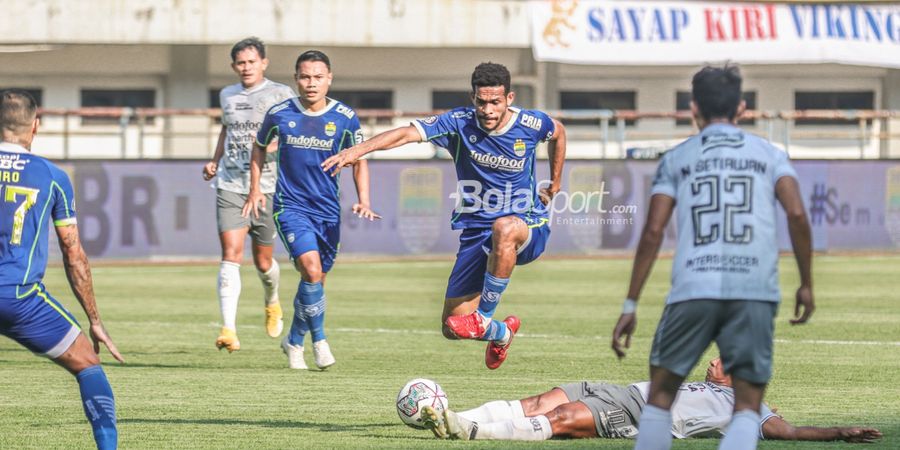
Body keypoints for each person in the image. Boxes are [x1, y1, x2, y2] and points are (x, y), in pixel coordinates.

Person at [610, 64, 814, 450]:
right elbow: (798, 214)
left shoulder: (677, 158)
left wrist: (631, 302)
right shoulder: (770, 154)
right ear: (741, 108)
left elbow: (653, 232)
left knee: (659, 402)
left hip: (693, 287)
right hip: (753, 290)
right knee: (746, 409)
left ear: (693, 109)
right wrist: (806, 283)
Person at [322, 62, 566, 370]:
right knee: (451, 326)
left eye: (495, 102)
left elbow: (559, 132)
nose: (488, 110)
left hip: (527, 226)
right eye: (481, 102)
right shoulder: (458, 122)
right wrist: (358, 151)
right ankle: (501, 332)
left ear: (510, 99)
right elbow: (405, 134)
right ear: (472, 98)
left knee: (504, 226)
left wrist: (556, 182)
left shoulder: (531, 124)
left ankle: (483, 317)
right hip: (477, 234)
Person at [0, 89, 125, 449]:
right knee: (88, 364)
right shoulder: (51, 176)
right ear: (35, 126)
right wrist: (95, 319)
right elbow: (74, 254)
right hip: (20, 298)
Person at [243, 50, 380, 370]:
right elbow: (259, 147)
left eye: (318, 77)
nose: (311, 83)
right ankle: (319, 343)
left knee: (314, 280)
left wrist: (364, 199)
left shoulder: (345, 117)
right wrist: (255, 188)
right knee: (312, 270)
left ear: (329, 79)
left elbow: (359, 159)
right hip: (291, 207)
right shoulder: (279, 113)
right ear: (296, 79)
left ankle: (293, 341)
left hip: (328, 212)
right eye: (305, 77)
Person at [420, 358, 882, 444]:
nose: (712, 365)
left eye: (720, 364)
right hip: (622, 389)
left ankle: (467, 430)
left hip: (638, 414)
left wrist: (840, 431)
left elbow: (789, 431)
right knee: (540, 398)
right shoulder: (712, 386)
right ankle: (455, 414)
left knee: (560, 419)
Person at [201, 37, 295, 352]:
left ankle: (272, 300)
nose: (246, 68)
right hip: (231, 184)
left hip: (268, 185)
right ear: (233, 66)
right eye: (240, 63)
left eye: (251, 62)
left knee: (263, 261)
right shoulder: (227, 95)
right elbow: (227, 129)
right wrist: (215, 160)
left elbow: (293, 133)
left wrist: (270, 147)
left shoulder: (281, 94)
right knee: (231, 254)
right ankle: (228, 328)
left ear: (263, 63)